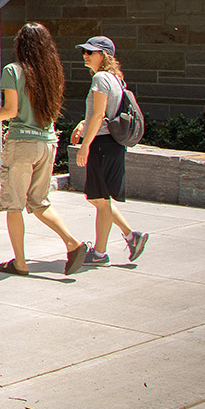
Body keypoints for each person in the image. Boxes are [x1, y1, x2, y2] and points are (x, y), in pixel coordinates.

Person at [0, 23, 89, 275]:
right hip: (47, 142)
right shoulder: (52, 72)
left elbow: (11, 111)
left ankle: (20, 263)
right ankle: (72, 243)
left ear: (21, 45)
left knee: (14, 205)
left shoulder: (13, 71)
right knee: (39, 202)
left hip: (22, 144)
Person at [70, 35, 148, 266]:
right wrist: (84, 125)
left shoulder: (101, 78)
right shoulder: (115, 78)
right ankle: (131, 236)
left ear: (104, 55)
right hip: (111, 145)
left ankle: (100, 254)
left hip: (102, 144)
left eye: (90, 52)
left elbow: (99, 114)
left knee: (101, 200)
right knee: (96, 198)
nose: (85, 55)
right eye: (84, 51)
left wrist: (85, 145)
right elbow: (105, 113)